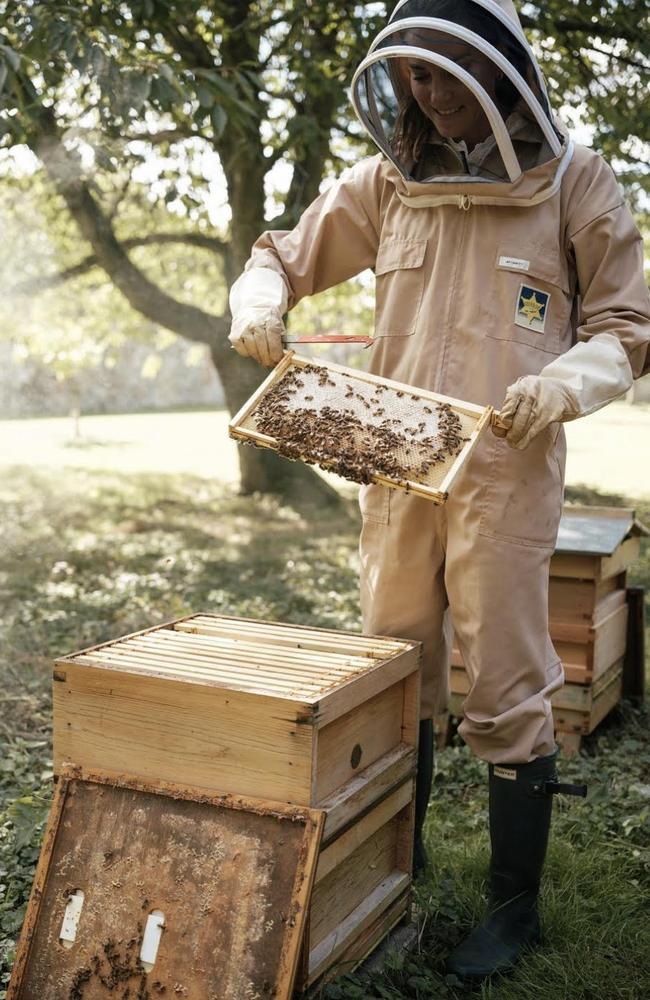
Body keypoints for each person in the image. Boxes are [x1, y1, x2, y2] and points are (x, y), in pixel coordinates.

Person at [228, 0, 650, 981]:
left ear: (500, 70)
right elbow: (281, 258)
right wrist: (259, 304)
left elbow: (629, 325)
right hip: (392, 461)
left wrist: (563, 380)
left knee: (505, 676)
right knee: (390, 662)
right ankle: (392, 860)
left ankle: (511, 902)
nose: (430, 95)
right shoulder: (385, 184)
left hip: (504, 470)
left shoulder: (572, 183)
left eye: (447, 74)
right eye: (415, 77)